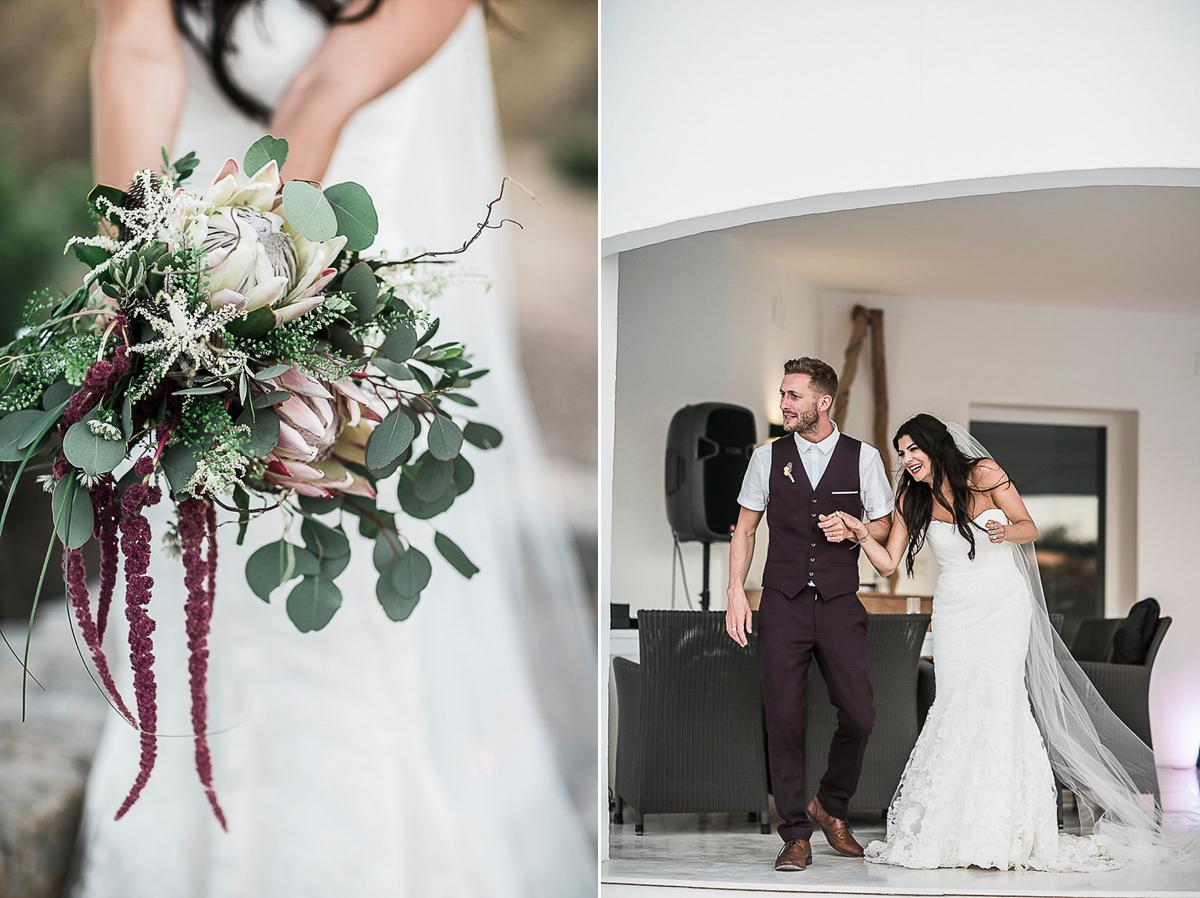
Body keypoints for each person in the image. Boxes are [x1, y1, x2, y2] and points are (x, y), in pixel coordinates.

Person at [73, 1, 595, 895]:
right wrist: (138, 288)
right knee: (172, 586)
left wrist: (239, 302)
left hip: (328, 300)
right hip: (181, 262)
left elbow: (321, 92)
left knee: (326, 634)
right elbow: (132, 44)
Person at [835, 413, 1182, 871]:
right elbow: (887, 563)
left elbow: (1029, 526)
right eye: (901, 454)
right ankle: (953, 828)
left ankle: (1006, 827)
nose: (908, 460)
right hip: (956, 612)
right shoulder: (911, 497)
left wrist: (1005, 531)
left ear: (935, 446)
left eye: (913, 449)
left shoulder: (984, 473)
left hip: (1003, 604)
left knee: (1001, 702)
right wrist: (861, 533)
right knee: (956, 705)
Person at [725, 356, 893, 872]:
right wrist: (736, 591)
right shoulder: (766, 458)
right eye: (782, 395)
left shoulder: (863, 458)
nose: (784, 404)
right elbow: (746, 529)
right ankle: (796, 834)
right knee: (784, 720)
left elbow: (884, 528)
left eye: (793, 396)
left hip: (842, 604)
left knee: (860, 715)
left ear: (824, 401)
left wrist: (856, 527)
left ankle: (830, 805)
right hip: (782, 603)